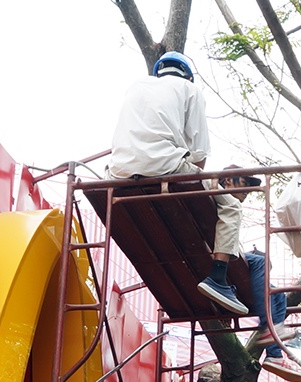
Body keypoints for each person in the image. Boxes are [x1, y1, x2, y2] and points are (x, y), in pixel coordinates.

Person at [107, 51, 251, 316]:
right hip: (164, 166)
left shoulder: (136, 86)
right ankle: (218, 278)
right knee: (231, 206)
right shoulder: (190, 90)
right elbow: (200, 153)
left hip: (118, 171)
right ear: (188, 76)